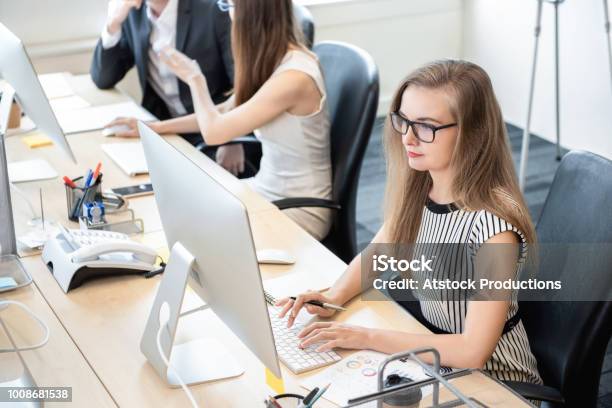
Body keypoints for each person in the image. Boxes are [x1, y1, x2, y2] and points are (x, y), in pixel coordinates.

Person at [277, 60, 543, 385]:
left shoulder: (494, 231)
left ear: (473, 132)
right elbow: (374, 259)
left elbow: (473, 351)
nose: (407, 139)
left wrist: (366, 336)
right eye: (403, 121)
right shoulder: (421, 189)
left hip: (496, 385)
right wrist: (332, 297)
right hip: (436, 363)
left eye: (426, 126)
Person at [142, 0, 333, 240]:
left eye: (228, 5)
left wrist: (195, 79)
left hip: (298, 207)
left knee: (198, 233)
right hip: (265, 191)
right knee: (185, 208)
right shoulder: (273, 62)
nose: (227, 13)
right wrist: (157, 127)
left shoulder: (295, 77)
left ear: (250, 15)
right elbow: (222, 112)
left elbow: (215, 132)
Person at [90, 0, 247, 170]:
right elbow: (103, 79)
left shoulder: (213, 8)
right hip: (166, 130)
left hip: (214, 132)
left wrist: (232, 138)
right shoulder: (133, 13)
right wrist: (113, 21)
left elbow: (243, 87)